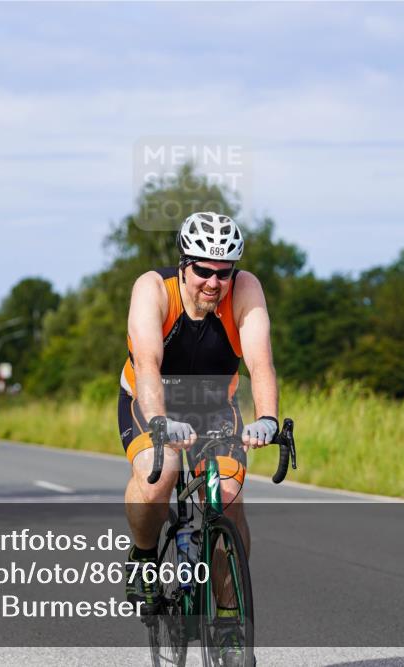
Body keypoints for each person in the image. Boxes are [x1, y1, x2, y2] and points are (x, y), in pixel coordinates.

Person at [120, 212, 279, 655]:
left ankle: (228, 619)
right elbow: (148, 362)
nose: (213, 282)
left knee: (226, 495)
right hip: (154, 403)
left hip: (213, 408)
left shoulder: (245, 290)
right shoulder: (152, 289)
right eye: (203, 271)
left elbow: (261, 362)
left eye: (224, 272)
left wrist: (266, 417)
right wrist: (158, 420)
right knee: (161, 470)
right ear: (183, 264)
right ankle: (145, 555)